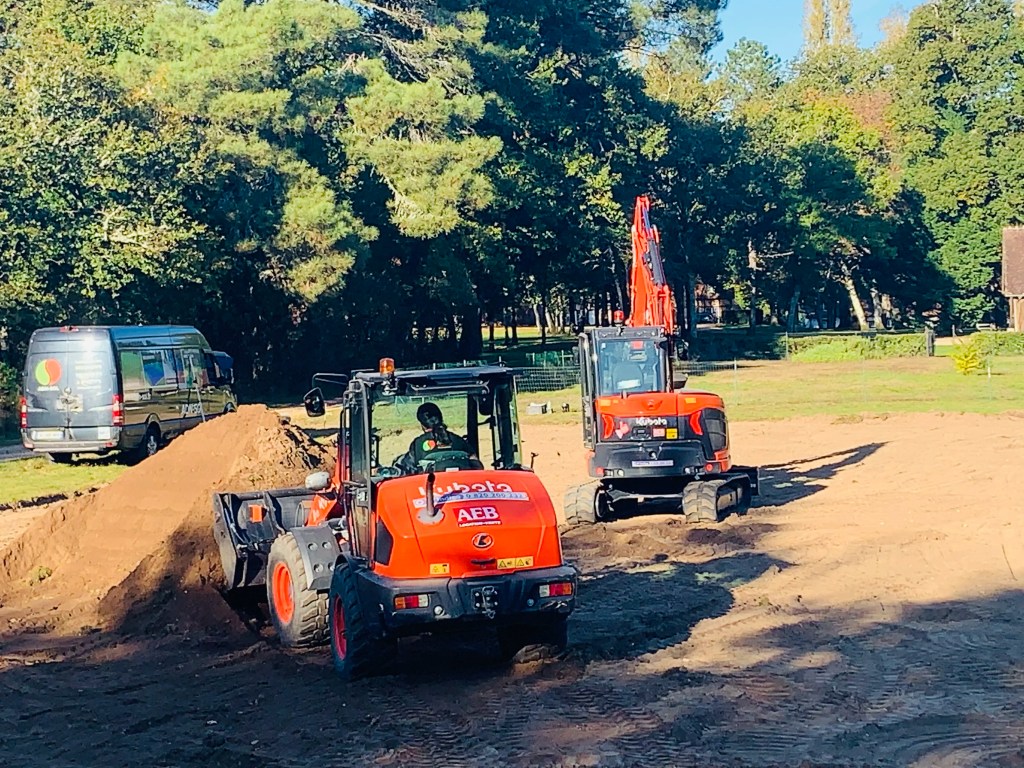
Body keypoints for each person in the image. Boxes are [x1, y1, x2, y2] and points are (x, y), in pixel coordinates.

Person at [400, 402, 479, 472]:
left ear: (422, 425)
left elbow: (407, 469)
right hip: (461, 485)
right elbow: (477, 465)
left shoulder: (417, 445)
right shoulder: (459, 441)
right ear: (441, 419)